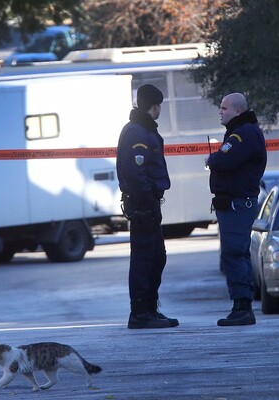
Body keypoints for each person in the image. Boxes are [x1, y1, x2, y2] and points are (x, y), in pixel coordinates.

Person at [116, 84, 179, 329]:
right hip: (143, 204)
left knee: (156, 257)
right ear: (155, 106)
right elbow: (134, 171)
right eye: (160, 105)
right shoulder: (137, 132)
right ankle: (140, 312)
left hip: (150, 202)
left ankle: (150, 308)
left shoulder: (143, 129)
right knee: (145, 258)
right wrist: (145, 201)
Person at [206, 92, 267, 326]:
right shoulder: (240, 132)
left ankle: (242, 307)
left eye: (224, 108)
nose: (220, 112)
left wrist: (211, 160)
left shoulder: (243, 134)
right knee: (235, 253)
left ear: (238, 111)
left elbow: (225, 160)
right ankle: (241, 306)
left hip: (238, 203)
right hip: (234, 202)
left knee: (234, 253)